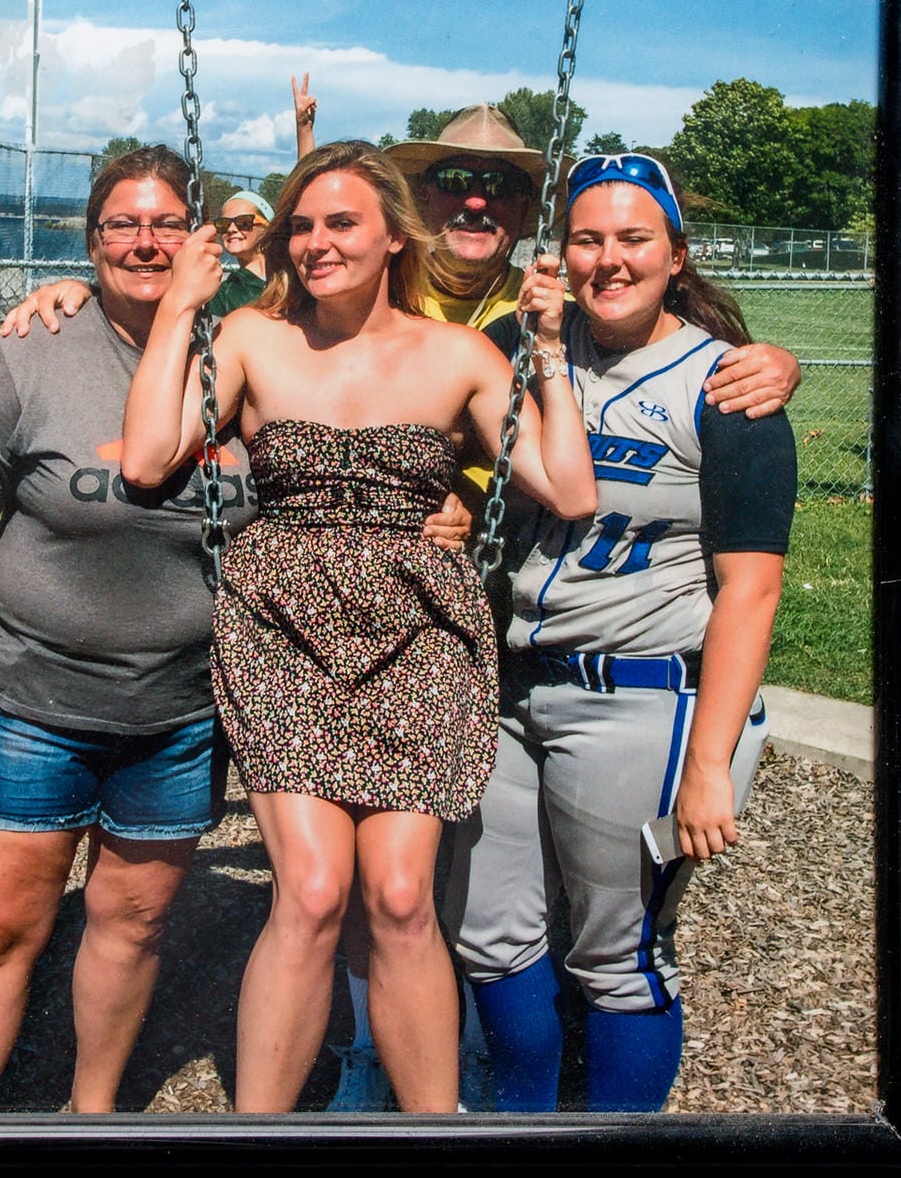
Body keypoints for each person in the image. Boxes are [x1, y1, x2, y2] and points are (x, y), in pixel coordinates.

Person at [118, 140, 598, 1113]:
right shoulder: (253, 339)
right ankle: (258, 1138)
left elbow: (569, 487)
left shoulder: (458, 354)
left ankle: (434, 1137)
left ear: (391, 236)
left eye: (340, 222)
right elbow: (144, 461)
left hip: (416, 631)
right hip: (282, 624)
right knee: (314, 890)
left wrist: (545, 350)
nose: (315, 240)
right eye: (301, 223)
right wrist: (179, 308)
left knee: (400, 897)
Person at [441, 150, 800, 1113]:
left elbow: (751, 589)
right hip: (512, 692)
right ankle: (516, 1130)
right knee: (491, 934)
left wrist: (712, 759)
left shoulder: (727, 387)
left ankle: (617, 1167)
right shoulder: (530, 354)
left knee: (618, 957)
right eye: (588, 238)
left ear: (676, 255)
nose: (608, 258)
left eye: (633, 239)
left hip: (639, 695)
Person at [0, 145, 259, 1114]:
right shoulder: (32, 351)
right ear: (92, 238)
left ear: (199, 237)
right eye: (121, 225)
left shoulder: (247, 354)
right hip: (35, 700)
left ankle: (92, 1114)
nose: (144, 242)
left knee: (130, 926)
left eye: (164, 223)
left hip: (182, 714)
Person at [206, 188, 274, 317]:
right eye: (224, 224)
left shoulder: (289, 277)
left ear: (266, 226)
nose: (231, 229)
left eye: (243, 222)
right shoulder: (225, 293)